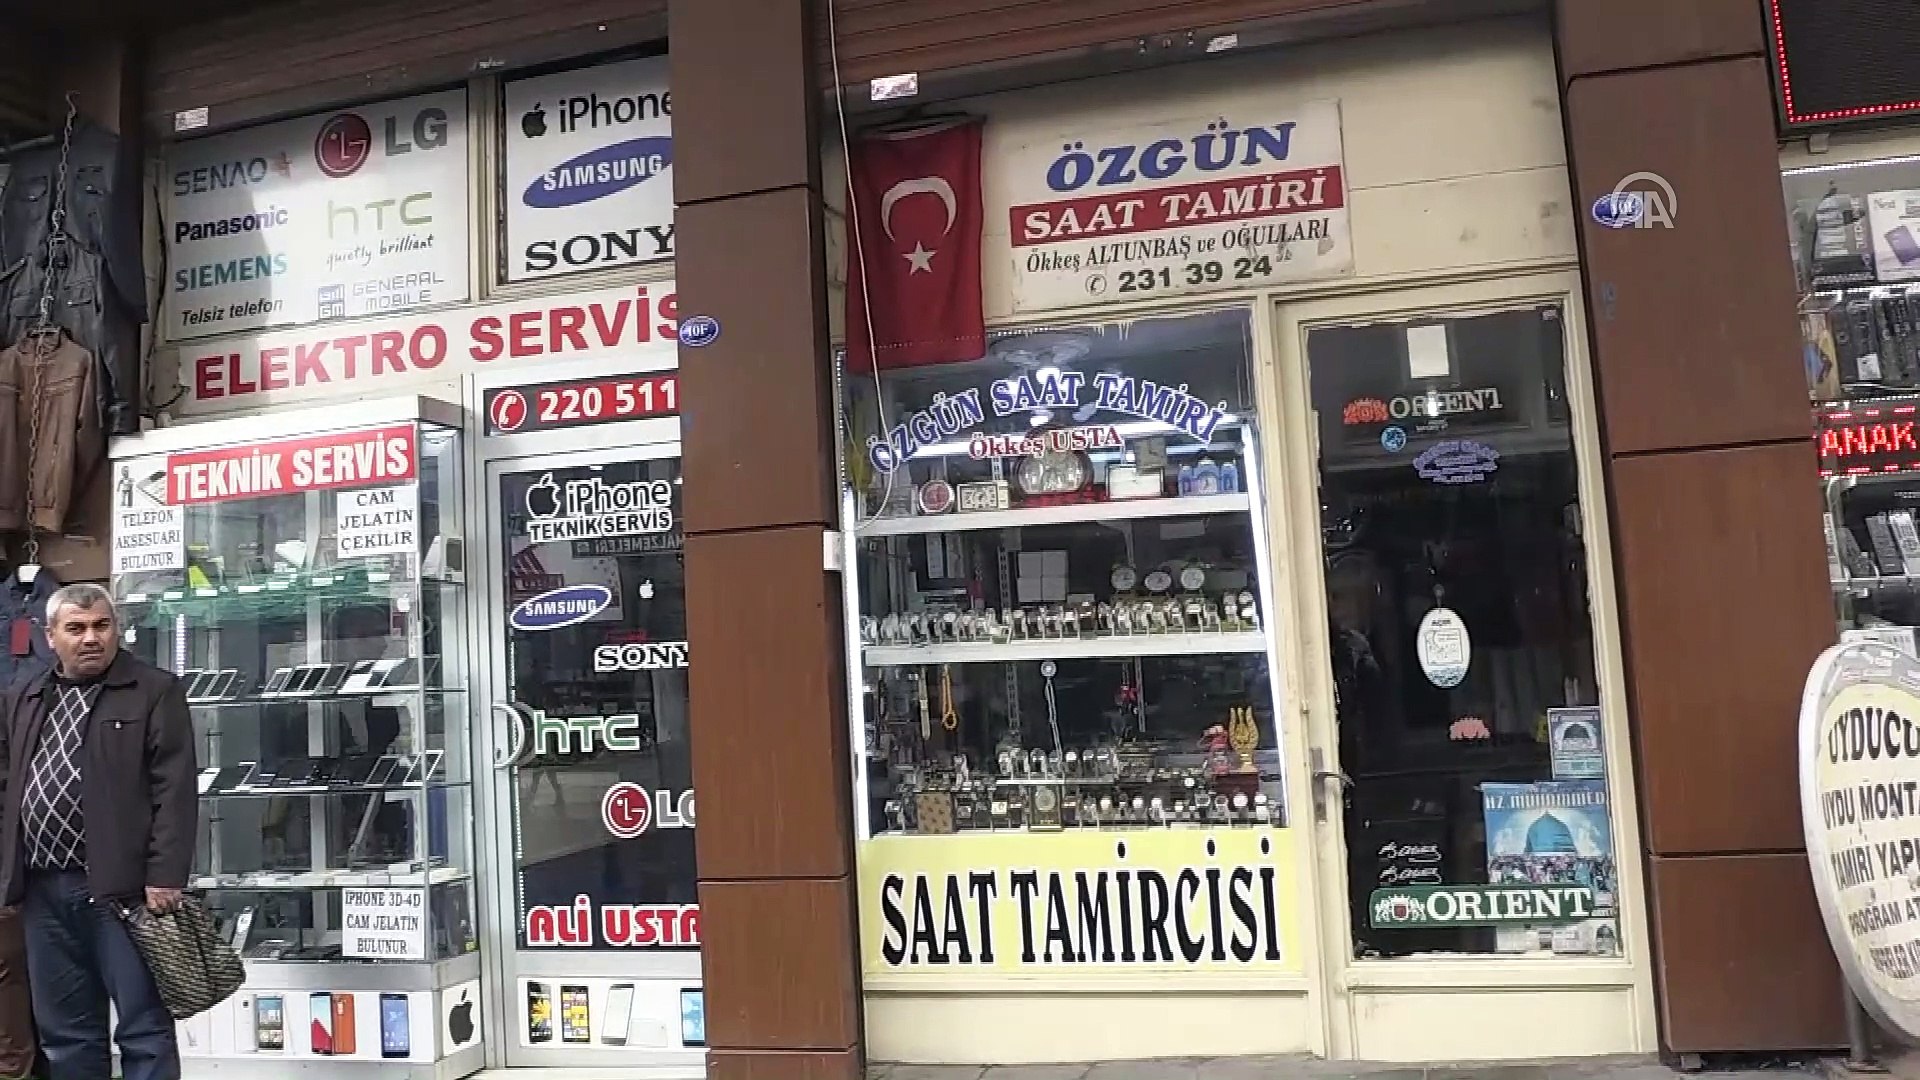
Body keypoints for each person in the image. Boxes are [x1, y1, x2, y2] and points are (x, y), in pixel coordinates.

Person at [0, 583, 196, 1080]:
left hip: (122, 890)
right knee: (65, 1036)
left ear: (116, 630)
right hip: (43, 890)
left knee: (143, 1030)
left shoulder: (153, 690)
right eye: (76, 628)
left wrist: (165, 874)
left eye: (101, 626)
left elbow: (174, 789)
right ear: (50, 636)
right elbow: (7, 786)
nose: (91, 638)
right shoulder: (25, 695)